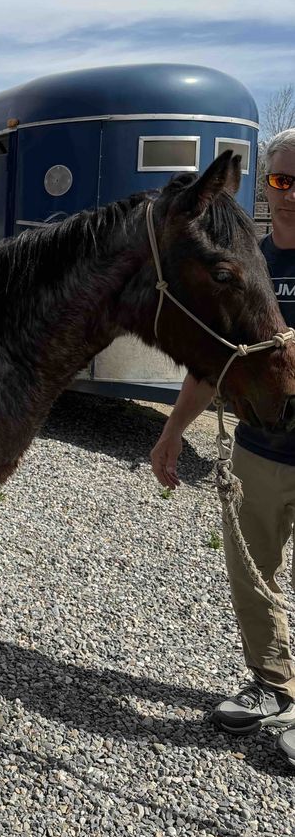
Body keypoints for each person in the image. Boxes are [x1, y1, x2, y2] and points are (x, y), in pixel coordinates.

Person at [150, 128, 295, 769]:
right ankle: (272, 686)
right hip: (260, 448)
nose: (288, 195)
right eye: (280, 181)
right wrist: (173, 430)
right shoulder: (252, 260)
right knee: (251, 572)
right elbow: (215, 359)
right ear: (266, 186)